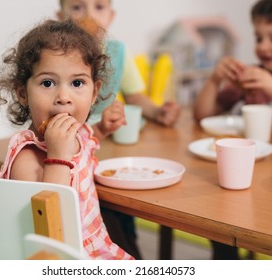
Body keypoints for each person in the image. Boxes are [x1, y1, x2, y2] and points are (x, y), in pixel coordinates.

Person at [0, 19, 133, 260]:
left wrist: (102, 129)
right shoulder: (28, 158)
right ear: (23, 93)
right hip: (57, 256)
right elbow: (47, 223)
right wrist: (57, 157)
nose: (64, 97)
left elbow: (85, 141)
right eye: (48, 83)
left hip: (95, 246)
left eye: (77, 83)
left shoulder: (76, 135)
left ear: (94, 91)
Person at [56, 0, 181, 260]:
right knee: (109, 208)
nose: (90, 15)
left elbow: (136, 97)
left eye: (99, 7)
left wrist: (159, 112)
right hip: (69, 150)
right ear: (61, 16)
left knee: (122, 206)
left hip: (107, 145)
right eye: (78, 7)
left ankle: (126, 248)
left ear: (111, 16)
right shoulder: (56, 55)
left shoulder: (117, 51)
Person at [193, 0, 272, 259]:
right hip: (253, 174)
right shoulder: (251, 76)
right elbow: (202, 115)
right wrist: (215, 80)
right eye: (259, 37)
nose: (263, 47)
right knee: (220, 215)